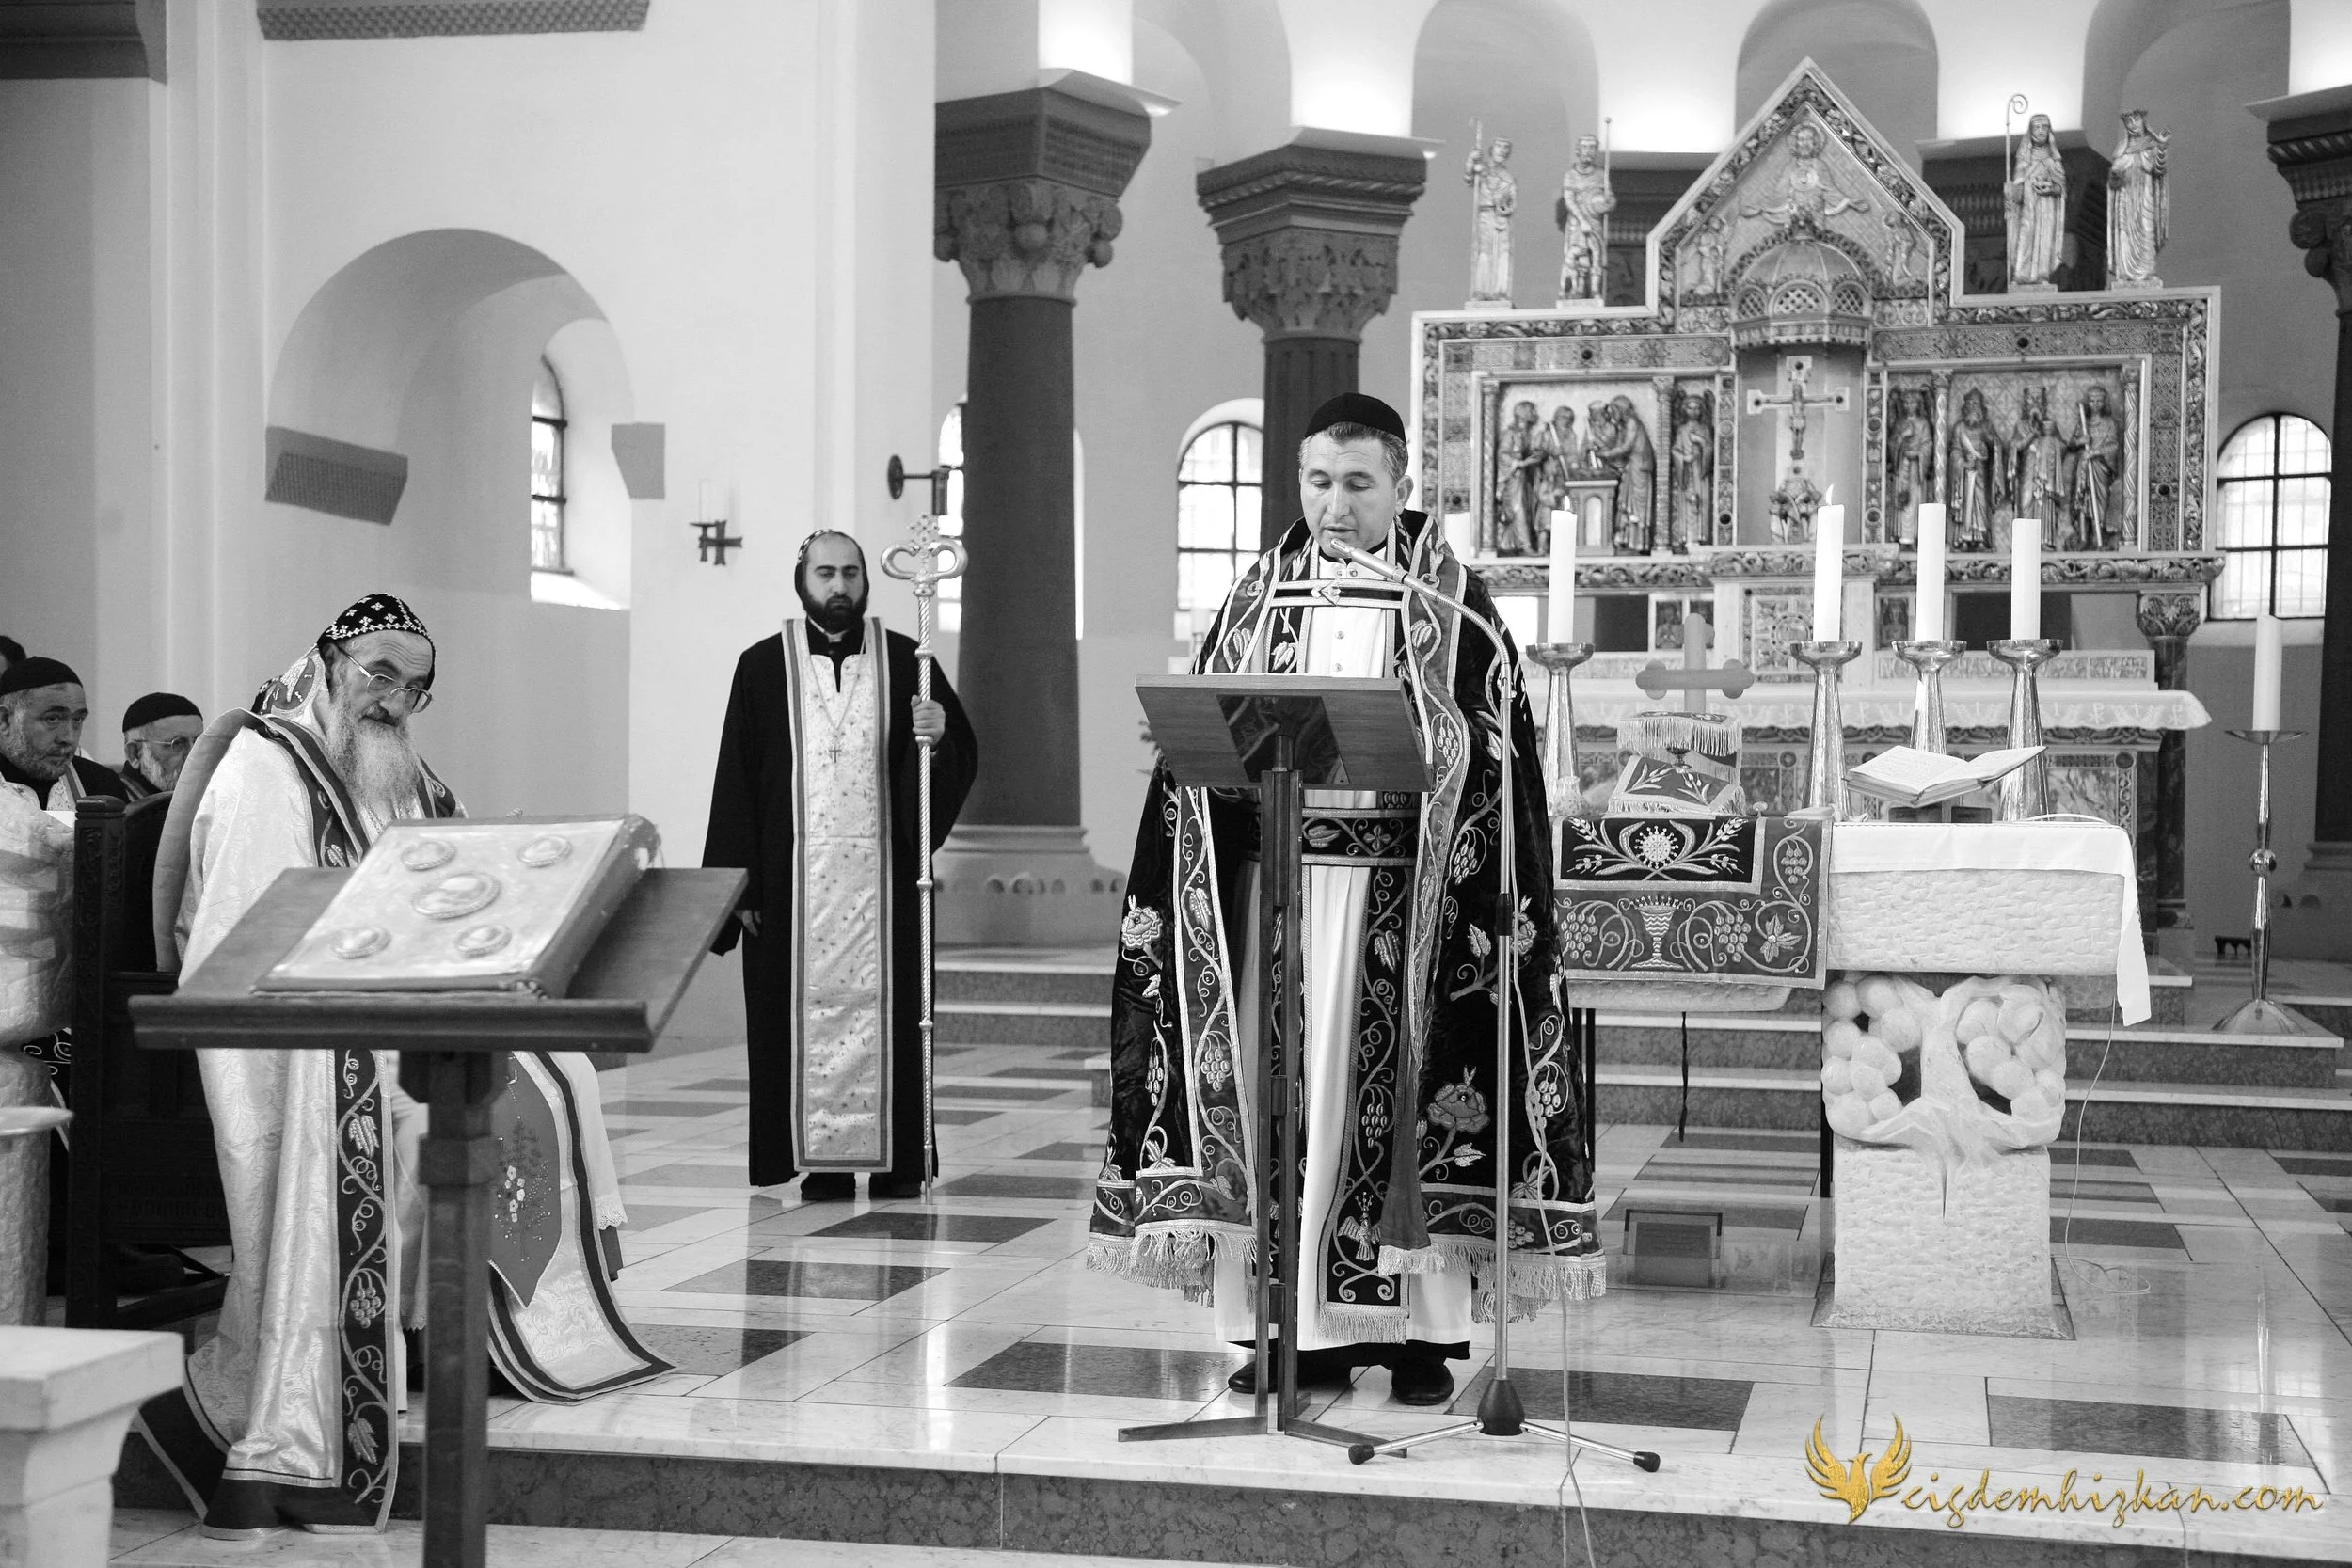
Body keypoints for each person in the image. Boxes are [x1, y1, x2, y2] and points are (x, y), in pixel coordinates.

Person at [1089, 392, 1600, 1409]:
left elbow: (1498, 756)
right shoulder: (1257, 599)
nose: (1334, 505)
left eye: (1358, 484)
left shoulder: (1454, 608)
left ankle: (1417, 1337)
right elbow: (1204, 751)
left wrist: (1441, 751)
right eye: (1317, 481)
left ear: (1401, 486)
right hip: (1277, 900)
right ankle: (1290, 1328)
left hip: (1407, 909)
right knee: (1285, 1105)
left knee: (1404, 1103)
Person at [136, 594, 664, 1540]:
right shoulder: (266, 764)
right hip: (295, 1030)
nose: (394, 699)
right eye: (380, 674)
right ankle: (342, 1369)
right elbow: (236, 927)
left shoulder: (400, 770)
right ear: (328, 662)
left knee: (558, 1075)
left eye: (415, 686)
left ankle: (468, 1328)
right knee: (440, 1103)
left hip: (398, 1008)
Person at [703, 531, 977, 1201]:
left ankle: (899, 1160)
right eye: (826, 573)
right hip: (789, 889)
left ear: (865, 582)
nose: (840, 586)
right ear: (802, 579)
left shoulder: (909, 661)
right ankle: (817, 1162)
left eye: (851, 573)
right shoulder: (761, 666)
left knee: (896, 1018)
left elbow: (957, 757)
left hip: (887, 888)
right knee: (789, 1022)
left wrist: (937, 739)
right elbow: (737, 778)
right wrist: (740, 886)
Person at [0, 657, 126, 809]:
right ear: (5, 720)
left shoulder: (102, 786)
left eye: (77, 719)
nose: (69, 738)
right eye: (52, 719)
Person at [119, 692, 205, 799]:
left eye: (199, 743)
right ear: (135, 754)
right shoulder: (111, 803)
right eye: (177, 743)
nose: (194, 756)